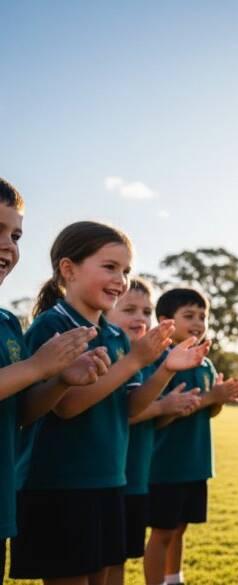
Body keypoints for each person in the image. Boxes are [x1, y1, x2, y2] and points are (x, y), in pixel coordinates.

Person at [11, 221, 177, 584]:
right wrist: (134, 361)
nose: (121, 279)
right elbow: (66, 406)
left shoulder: (116, 334)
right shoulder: (50, 326)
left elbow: (131, 408)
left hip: (108, 479)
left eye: (126, 270)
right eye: (110, 267)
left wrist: (163, 370)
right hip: (59, 485)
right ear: (68, 270)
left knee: (102, 577)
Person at [0, 180, 111, 584]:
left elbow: (21, 412)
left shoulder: (8, 324)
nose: (9, 246)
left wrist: (59, 379)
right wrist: (36, 367)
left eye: (15, 235)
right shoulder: (47, 324)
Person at [104, 278, 205, 585]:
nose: (140, 318)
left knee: (116, 559)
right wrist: (165, 406)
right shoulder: (126, 356)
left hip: (135, 477)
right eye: (129, 309)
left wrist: (174, 407)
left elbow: (151, 418)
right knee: (105, 561)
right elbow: (126, 413)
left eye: (145, 311)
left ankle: (173, 578)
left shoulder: (151, 361)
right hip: (122, 475)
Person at [144, 287, 238, 585]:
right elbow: (162, 414)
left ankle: (174, 579)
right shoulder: (159, 362)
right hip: (165, 465)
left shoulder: (206, 363)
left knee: (180, 528)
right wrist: (211, 395)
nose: (199, 322)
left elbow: (208, 412)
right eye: (189, 315)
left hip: (195, 463)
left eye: (203, 316)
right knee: (162, 532)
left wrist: (219, 399)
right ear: (165, 321)